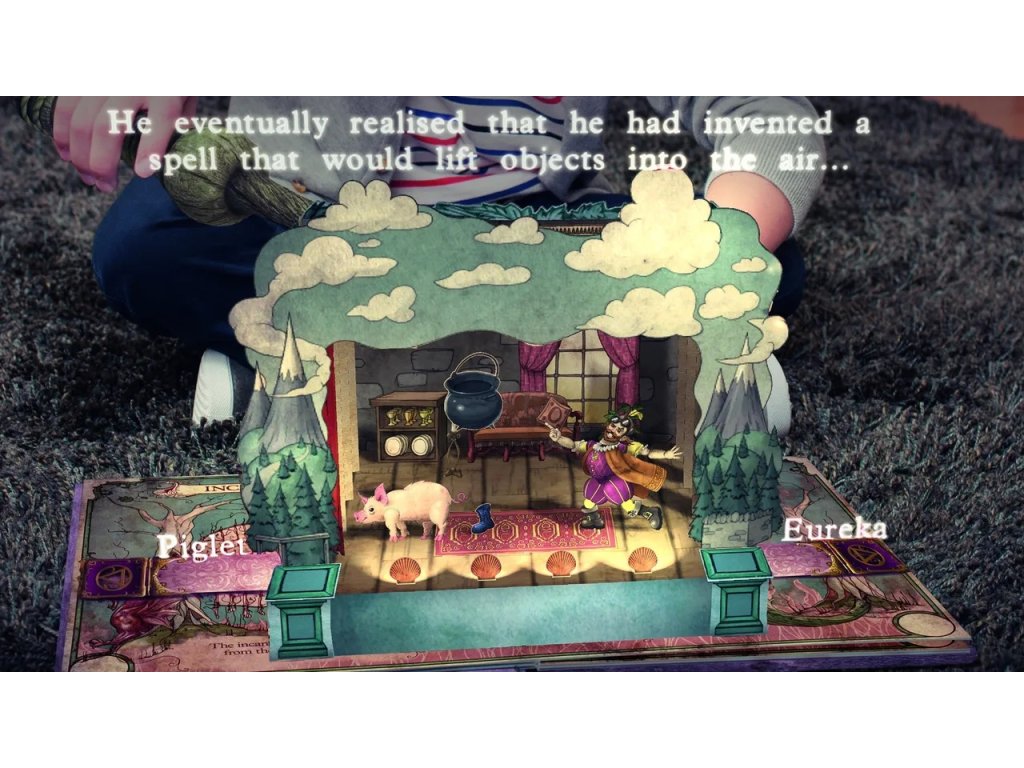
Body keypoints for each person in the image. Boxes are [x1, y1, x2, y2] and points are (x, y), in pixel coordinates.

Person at [52, 97, 823, 427]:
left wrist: (700, 255)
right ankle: (643, 368)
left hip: (537, 240)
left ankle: (300, 363)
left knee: (764, 257)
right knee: (147, 243)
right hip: (331, 236)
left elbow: (769, 115)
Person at [548, 405, 681, 530]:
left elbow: (648, 453)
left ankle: (649, 512)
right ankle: (594, 519)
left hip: (615, 480)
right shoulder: (592, 445)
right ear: (608, 424)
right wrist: (558, 439)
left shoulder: (624, 447)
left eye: (619, 430)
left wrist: (665, 454)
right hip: (599, 480)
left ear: (624, 434)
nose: (613, 430)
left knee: (620, 497)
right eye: (613, 425)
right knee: (590, 497)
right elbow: (572, 445)